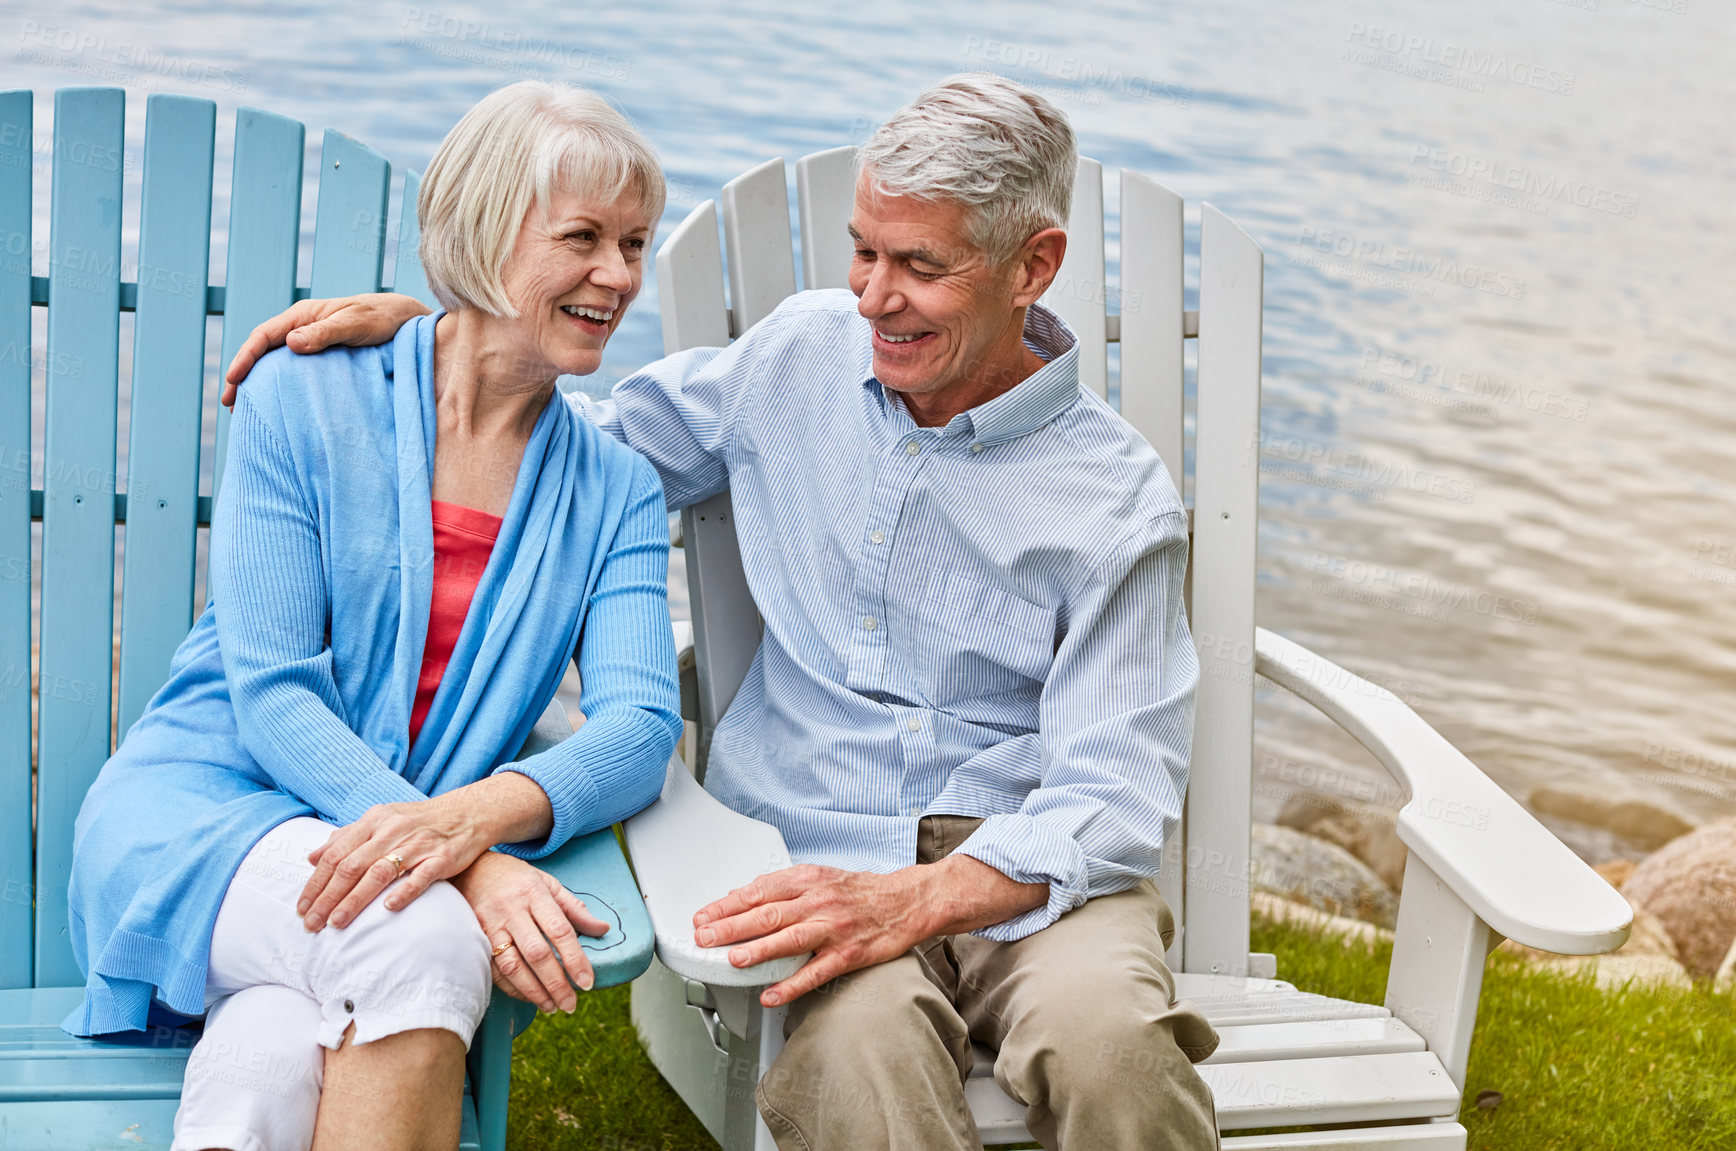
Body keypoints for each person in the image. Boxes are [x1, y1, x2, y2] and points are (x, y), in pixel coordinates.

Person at [225, 73, 1218, 1150]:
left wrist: (923, 897)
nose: (873, 296)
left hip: (1030, 871)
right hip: (812, 851)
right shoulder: (799, 355)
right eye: (863, 251)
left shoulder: (1116, 500)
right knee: (859, 1063)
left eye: (919, 267)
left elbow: (1114, 787)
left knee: (1113, 1048)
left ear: (1033, 266)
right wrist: (445, 328)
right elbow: (575, 441)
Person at [64, 80, 680, 1151]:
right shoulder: (301, 400)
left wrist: (471, 819)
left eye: (632, 242)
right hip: (208, 815)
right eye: (581, 237)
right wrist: (458, 858)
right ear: (487, 234)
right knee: (427, 944)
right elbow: (275, 694)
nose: (617, 275)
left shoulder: (617, 489)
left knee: (265, 1068)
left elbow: (636, 730)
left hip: (367, 873)